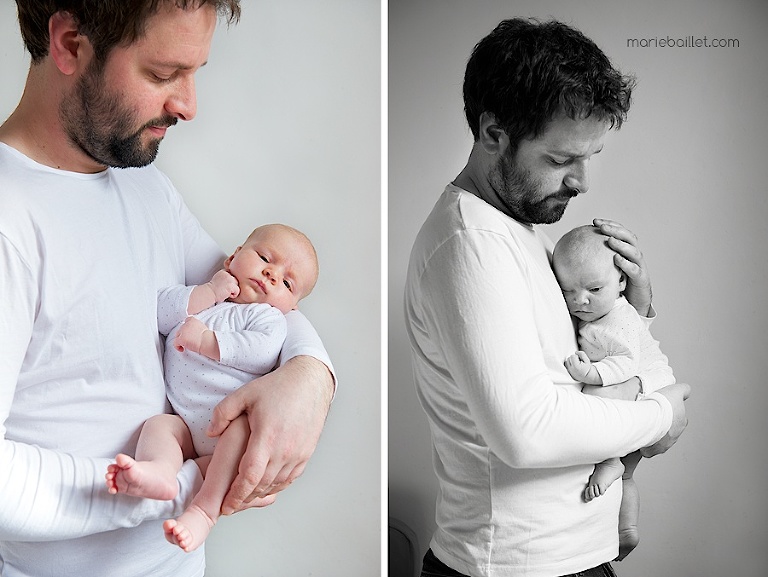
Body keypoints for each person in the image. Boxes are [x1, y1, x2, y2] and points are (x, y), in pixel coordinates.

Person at [0, 3, 335, 576]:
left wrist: (312, 378)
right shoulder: (10, 220)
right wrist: (190, 484)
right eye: (163, 75)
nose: (188, 105)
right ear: (70, 44)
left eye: (194, 72)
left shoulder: (146, 186)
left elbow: (251, 288)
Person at [404, 17, 690, 577]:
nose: (582, 181)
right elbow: (526, 432)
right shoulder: (472, 243)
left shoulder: (524, 232)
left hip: (567, 557)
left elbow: (566, 364)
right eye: (561, 160)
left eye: (591, 157)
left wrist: (634, 306)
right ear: (494, 135)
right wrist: (661, 416)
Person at [105, 223, 319, 552]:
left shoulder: (268, 318)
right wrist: (209, 292)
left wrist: (208, 341)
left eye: (287, 283)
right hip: (183, 421)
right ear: (233, 256)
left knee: (240, 435)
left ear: (292, 308)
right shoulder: (206, 296)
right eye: (265, 257)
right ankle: (162, 470)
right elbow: (159, 311)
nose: (272, 275)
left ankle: (204, 513)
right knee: (160, 426)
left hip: (226, 430)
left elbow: (261, 352)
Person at [552, 224, 676, 560]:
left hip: (649, 383)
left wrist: (590, 372)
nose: (580, 300)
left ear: (622, 281)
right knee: (628, 473)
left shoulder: (618, 319)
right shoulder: (598, 311)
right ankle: (626, 530)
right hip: (644, 389)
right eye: (568, 291)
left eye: (593, 288)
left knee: (598, 398)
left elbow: (624, 363)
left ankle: (609, 459)